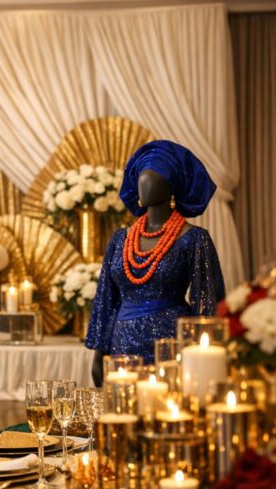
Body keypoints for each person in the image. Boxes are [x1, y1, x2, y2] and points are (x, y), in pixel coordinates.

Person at [86, 140, 225, 386]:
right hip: (121, 348)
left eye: (153, 179)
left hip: (170, 347)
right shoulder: (120, 239)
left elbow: (207, 304)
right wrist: (99, 352)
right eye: (141, 178)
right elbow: (106, 300)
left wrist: (202, 358)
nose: (144, 184)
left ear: (171, 187)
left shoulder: (194, 239)